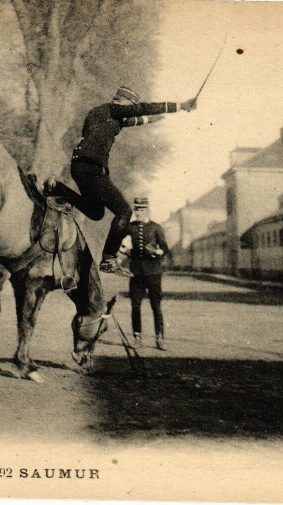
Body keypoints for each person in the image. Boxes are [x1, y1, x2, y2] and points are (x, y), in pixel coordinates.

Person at [47, 86, 196, 276]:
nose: (131, 110)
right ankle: (109, 258)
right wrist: (180, 106)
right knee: (124, 211)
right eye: (131, 106)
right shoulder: (111, 109)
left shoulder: (104, 114)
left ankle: (57, 188)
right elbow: (139, 110)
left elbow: (129, 120)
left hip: (81, 167)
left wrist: (151, 120)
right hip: (92, 169)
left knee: (96, 212)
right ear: (123, 101)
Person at [122, 197, 169, 350]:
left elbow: (165, 249)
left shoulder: (155, 227)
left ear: (147, 210)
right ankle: (137, 338)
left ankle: (159, 338)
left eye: (142, 209)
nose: (139, 213)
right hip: (136, 273)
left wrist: (155, 251)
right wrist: (126, 251)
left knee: (156, 305)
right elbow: (118, 242)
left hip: (153, 273)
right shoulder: (131, 227)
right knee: (135, 305)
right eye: (137, 209)